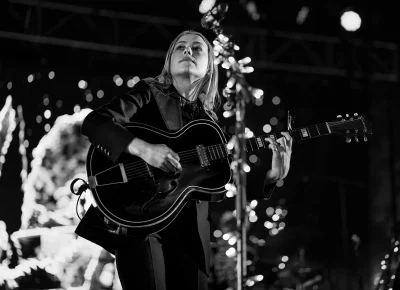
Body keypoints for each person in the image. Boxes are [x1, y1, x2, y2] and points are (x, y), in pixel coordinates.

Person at [75, 30, 293, 290]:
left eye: (197, 48)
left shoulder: (212, 124)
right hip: (142, 224)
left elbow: (221, 182)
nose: (188, 51)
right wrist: (144, 149)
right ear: (168, 62)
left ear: (209, 67)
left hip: (191, 241)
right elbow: (94, 123)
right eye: (180, 47)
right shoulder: (147, 93)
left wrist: (271, 176)